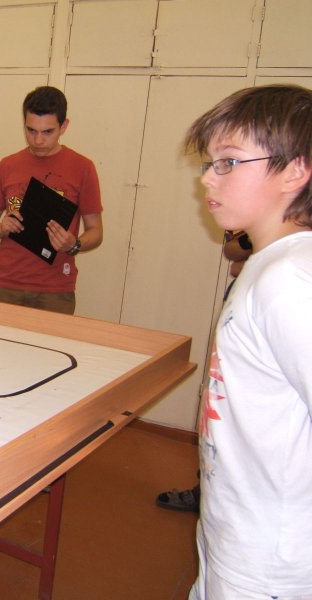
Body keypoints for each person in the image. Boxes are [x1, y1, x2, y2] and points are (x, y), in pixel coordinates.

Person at [185, 84, 312, 599]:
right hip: (234, 537)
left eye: (229, 162)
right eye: (210, 162)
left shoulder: (292, 280)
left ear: (295, 172)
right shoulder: (266, 265)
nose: (207, 178)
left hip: (270, 563)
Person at [0, 86, 103, 315]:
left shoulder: (82, 168)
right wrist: (1, 228)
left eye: (47, 132)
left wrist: (74, 245)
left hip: (55, 290)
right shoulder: (7, 166)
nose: (37, 140)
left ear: (64, 126)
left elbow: (96, 231)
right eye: (31, 130)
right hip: (5, 284)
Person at [156, 230, 253, 513]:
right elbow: (233, 255)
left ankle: (230, 501)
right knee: (221, 408)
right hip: (237, 311)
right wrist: (252, 240)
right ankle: (206, 492)